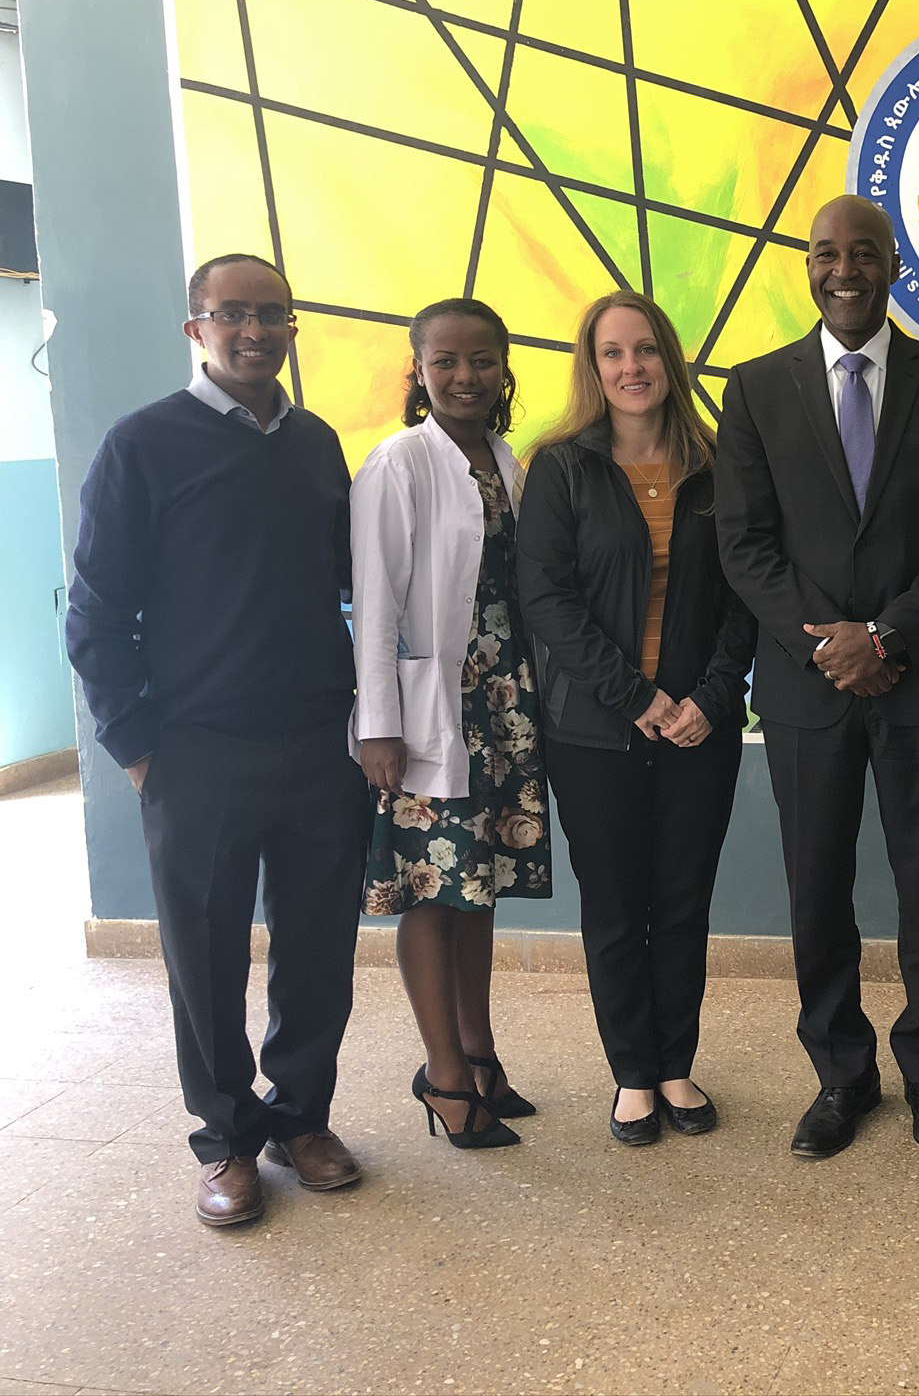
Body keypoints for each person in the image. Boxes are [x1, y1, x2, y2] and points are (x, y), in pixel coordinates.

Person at [65, 253, 366, 1226]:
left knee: (318, 949)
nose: (252, 330)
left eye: (270, 313)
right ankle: (227, 1139)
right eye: (230, 314)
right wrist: (136, 743)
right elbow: (97, 611)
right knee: (203, 956)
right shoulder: (141, 445)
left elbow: (352, 583)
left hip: (319, 743)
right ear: (195, 328)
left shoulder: (318, 444)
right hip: (194, 751)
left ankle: (301, 1117)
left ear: (290, 326)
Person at [716, 195, 919, 1159]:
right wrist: (827, 647)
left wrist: (883, 637)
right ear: (808, 266)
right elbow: (746, 546)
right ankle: (841, 1075)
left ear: (894, 264)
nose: (846, 270)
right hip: (806, 690)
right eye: (827, 254)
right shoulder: (754, 390)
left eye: (865, 253)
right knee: (816, 890)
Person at [517, 291, 754, 1147]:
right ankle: (631, 1074)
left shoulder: (718, 464)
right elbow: (547, 600)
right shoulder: (561, 468)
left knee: (683, 898)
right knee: (616, 903)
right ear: (592, 366)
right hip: (594, 732)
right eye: (613, 353)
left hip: (700, 727)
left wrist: (710, 700)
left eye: (646, 349)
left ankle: (676, 1061)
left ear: (671, 359)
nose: (631, 368)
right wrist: (640, 698)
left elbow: (744, 598)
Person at [352, 298, 548, 1151]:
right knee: (433, 894)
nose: (465, 377)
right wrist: (378, 725)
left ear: (506, 368)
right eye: (446, 362)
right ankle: (442, 1077)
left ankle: (480, 1054)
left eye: (483, 361)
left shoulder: (503, 458)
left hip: (501, 707)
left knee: (480, 888)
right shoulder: (400, 461)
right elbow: (376, 598)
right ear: (419, 369)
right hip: (432, 710)